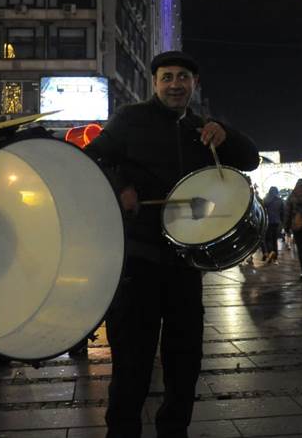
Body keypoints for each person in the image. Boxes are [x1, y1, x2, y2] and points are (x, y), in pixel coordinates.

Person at [84, 51, 259, 438]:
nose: (175, 84)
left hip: (185, 264)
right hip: (137, 260)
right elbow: (93, 157)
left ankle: (174, 431)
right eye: (167, 77)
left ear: (194, 84)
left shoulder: (201, 128)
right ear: (155, 83)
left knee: (185, 362)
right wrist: (121, 187)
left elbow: (251, 160)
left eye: (183, 77)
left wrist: (226, 134)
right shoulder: (130, 118)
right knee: (132, 362)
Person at [261, 187, 285, 263]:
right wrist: (282, 222)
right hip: (277, 222)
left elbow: (262, 211)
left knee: (268, 238)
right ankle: (275, 257)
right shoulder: (280, 201)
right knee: (275, 239)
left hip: (268, 222)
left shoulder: (265, 200)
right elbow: (283, 213)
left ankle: (271, 251)